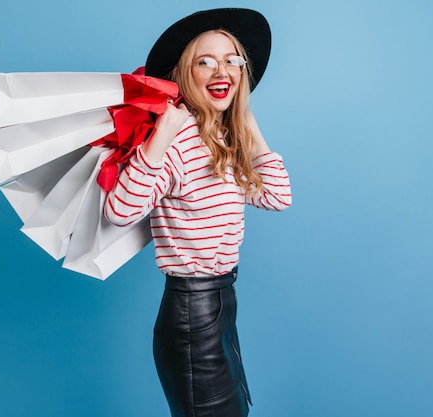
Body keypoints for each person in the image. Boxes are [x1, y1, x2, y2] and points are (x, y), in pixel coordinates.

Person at [104, 8, 292, 417]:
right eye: (204, 61)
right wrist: (161, 137)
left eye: (231, 60)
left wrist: (248, 124)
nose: (219, 70)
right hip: (192, 315)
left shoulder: (223, 137)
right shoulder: (177, 138)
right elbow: (120, 210)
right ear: (184, 73)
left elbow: (277, 196)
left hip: (222, 307)